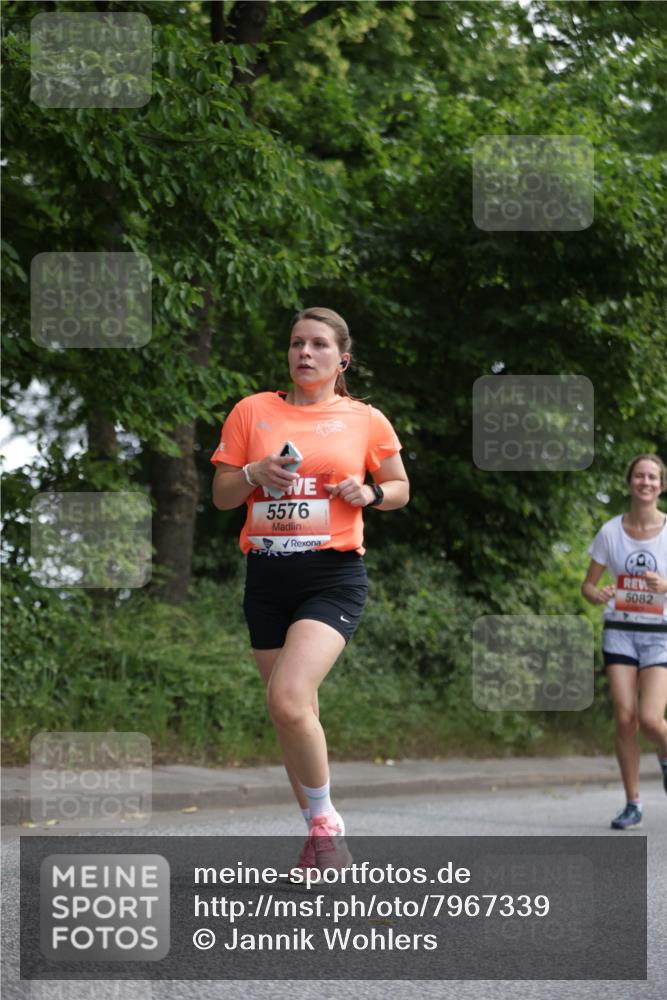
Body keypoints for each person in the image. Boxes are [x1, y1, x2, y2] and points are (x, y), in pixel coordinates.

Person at [210, 307, 409, 867]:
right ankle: (324, 844)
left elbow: (399, 486)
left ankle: (325, 820)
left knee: (288, 698)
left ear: (340, 359)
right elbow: (222, 495)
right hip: (268, 576)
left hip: (332, 574)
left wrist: (370, 494)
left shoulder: (364, 419)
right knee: (292, 715)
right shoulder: (253, 412)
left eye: (318, 345)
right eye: (297, 343)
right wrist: (253, 474)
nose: (304, 353)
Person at [581, 454, 667, 829]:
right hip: (619, 631)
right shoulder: (610, 531)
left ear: (661, 485)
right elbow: (588, 584)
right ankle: (633, 802)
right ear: (630, 482)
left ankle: (665, 758)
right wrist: (595, 593)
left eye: (652, 477)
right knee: (625, 718)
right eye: (639, 476)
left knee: (651, 720)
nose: (645, 482)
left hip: (659, 635)